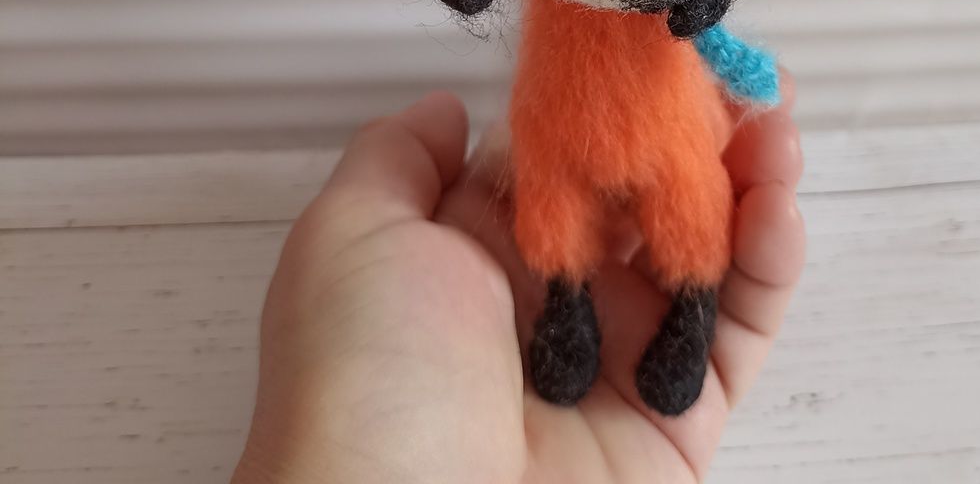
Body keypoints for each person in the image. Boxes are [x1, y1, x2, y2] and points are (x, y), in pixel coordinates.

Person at [230, 80, 806, 483]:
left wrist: (717, 9)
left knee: (689, 203)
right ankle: (566, 303)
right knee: (553, 206)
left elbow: (736, 30)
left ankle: (690, 311)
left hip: (670, 125)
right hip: (558, 126)